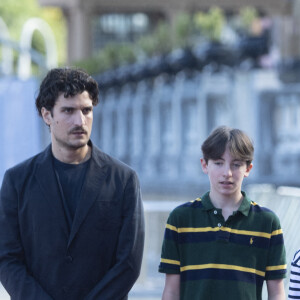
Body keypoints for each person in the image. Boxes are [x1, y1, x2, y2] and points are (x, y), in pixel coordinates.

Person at [0, 67, 145, 300]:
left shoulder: (124, 180)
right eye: (68, 111)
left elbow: (128, 262)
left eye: (86, 110)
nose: (80, 121)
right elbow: (7, 258)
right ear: (46, 115)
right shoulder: (17, 181)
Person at [159, 125, 286, 300]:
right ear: (205, 165)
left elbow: (277, 293)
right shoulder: (180, 219)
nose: (227, 173)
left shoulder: (267, 222)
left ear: (248, 169)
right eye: (218, 163)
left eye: (236, 165)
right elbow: (171, 291)